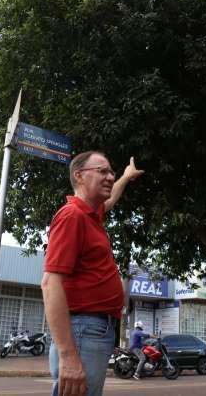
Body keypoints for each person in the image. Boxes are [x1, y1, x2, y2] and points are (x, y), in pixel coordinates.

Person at [42, 152, 144, 396]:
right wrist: (68, 356)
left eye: (112, 172)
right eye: (102, 171)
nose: (110, 177)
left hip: (94, 329)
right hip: (82, 330)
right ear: (79, 176)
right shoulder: (72, 216)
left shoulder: (91, 214)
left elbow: (110, 201)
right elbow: (49, 284)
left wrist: (126, 177)